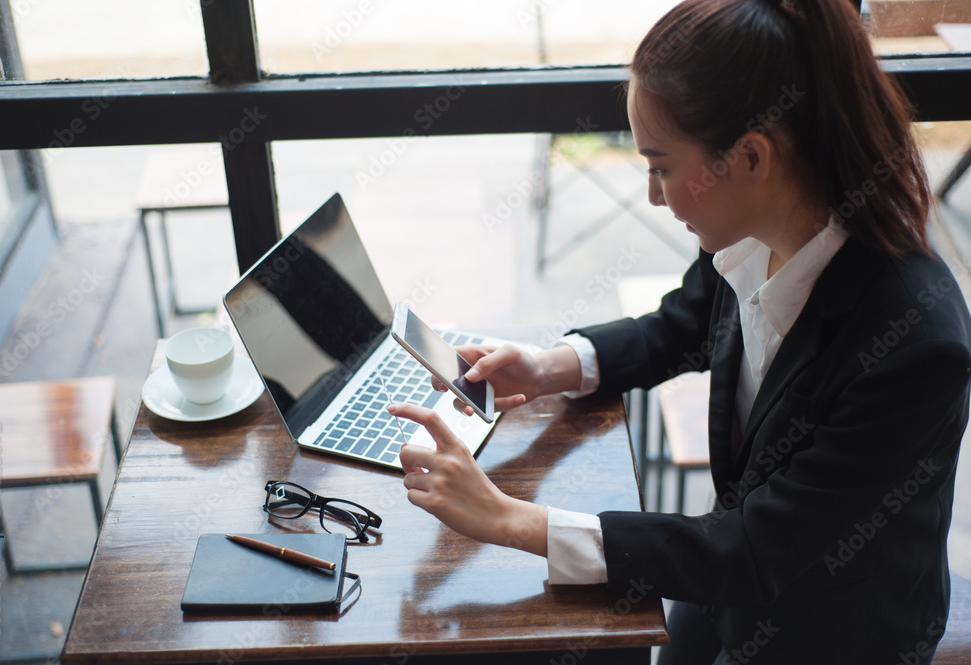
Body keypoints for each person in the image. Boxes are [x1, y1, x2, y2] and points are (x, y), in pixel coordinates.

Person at [387, 0, 971, 662]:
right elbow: (688, 323)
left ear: (750, 157)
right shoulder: (758, 230)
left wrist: (510, 519)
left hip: (832, 627)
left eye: (661, 166)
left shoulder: (916, 346)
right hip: (731, 581)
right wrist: (552, 365)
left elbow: (753, 547)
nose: (653, 196)